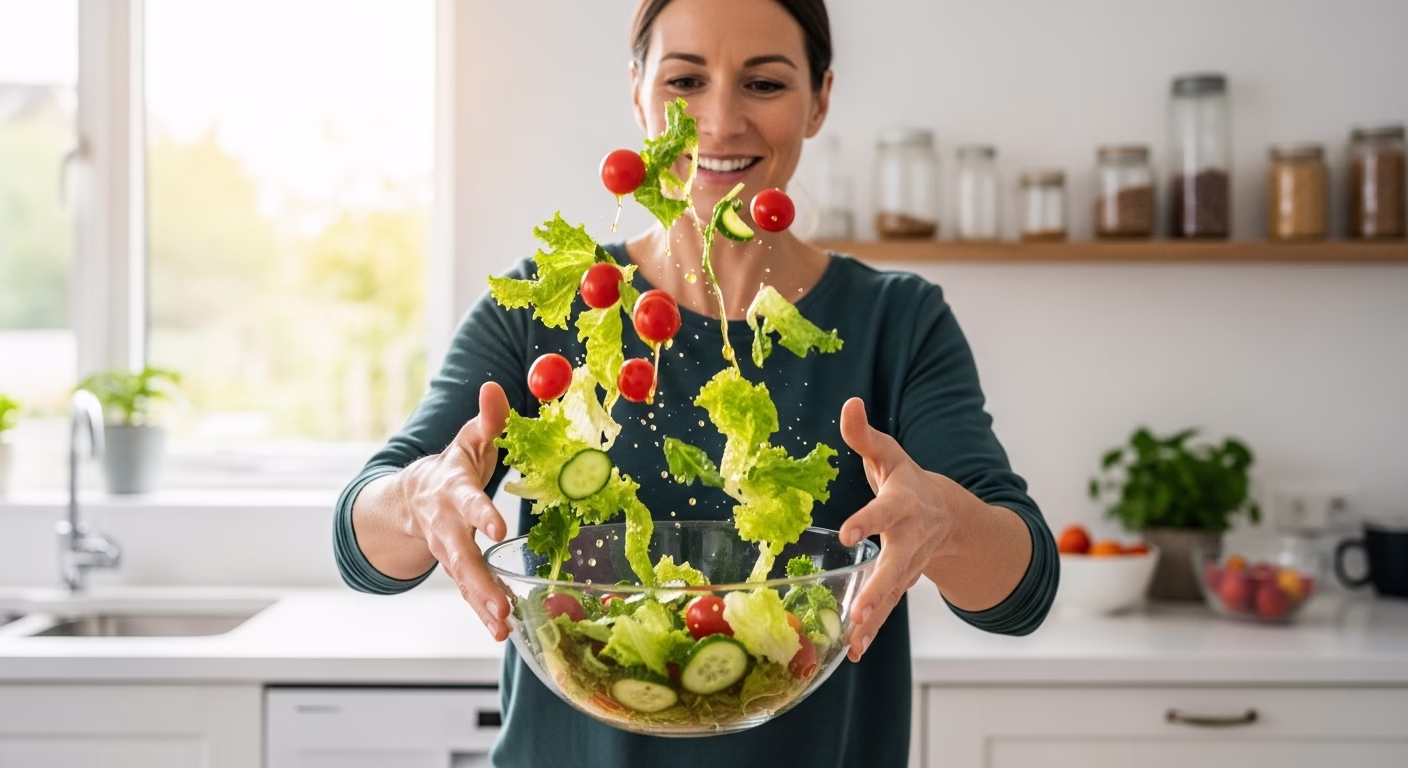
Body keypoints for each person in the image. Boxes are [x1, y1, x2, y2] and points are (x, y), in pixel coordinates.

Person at [334, 0, 1059, 764]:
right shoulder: (543, 309)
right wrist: (419, 499)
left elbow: (1021, 593)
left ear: (820, 100)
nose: (719, 123)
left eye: (765, 85)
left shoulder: (898, 322)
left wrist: (946, 520)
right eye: (685, 79)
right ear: (638, 90)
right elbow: (362, 543)